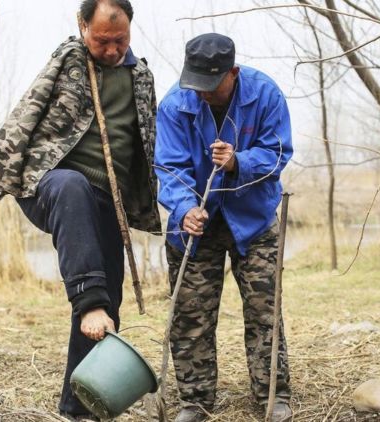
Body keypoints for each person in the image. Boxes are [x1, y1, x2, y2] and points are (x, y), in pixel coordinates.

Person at [0, 0, 159, 420]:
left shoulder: (141, 76)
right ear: (82, 26)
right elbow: (28, 111)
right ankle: (89, 300)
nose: (111, 50)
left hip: (107, 199)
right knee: (73, 188)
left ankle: (81, 406)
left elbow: (148, 141)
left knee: (107, 303)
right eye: (101, 40)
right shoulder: (70, 59)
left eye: (120, 40)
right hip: (52, 185)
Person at [154, 33, 294, 422]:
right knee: (191, 313)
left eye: (211, 86)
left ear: (232, 72)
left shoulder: (265, 94)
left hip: (253, 219)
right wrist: (184, 209)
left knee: (265, 310)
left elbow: (279, 153)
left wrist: (238, 163)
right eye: (195, 85)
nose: (202, 94)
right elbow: (168, 167)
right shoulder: (173, 105)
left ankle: (272, 395)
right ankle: (195, 401)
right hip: (195, 226)